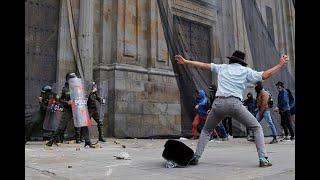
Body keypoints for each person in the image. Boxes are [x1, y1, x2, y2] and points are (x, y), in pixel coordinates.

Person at [175, 50, 289, 167]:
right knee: (256, 128)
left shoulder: (222, 68)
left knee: (206, 130)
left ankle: (196, 156)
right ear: (242, 62)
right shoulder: (246, 71)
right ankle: (263, 158)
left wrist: (186, 61)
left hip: (218, 104)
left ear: (231, 60)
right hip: (234, 104)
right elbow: (264, 75)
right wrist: (280, 64)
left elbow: (204, 65)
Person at [46, 73, 95, 148]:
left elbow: (82, 96)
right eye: (72, 79)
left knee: (84, 124)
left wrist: (85, 98)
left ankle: (87, 142)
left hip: (78, 108)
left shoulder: (78, 87)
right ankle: (51, 141)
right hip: (68, 110)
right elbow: (60, 100)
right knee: (61, 126)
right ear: (68, 80)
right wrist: (67, 102)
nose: (74, 81)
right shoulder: (65, 89)